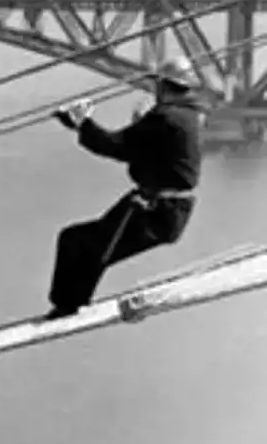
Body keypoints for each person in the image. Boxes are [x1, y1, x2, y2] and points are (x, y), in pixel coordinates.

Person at [44, 54, 204, 317]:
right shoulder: (188, 116)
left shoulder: (164, 117)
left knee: (80, 242)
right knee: (89, 244)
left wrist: (82, 124)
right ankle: (71, 302)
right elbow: (152, 153)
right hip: (167, 208)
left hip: (155, 210)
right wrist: (139, 124)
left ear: (162, 85)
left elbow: (116, 146)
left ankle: (67, 305)